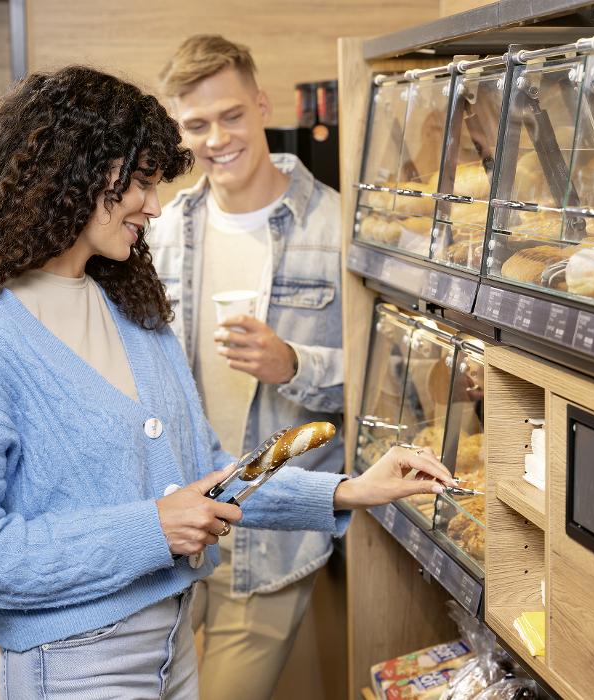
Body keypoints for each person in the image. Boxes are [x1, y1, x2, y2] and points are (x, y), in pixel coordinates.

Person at [0, 65, 454, 700]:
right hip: (76, 668)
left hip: (171, 652)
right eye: (138, 183)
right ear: (72, 173)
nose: (155, 204)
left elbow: (206, 474)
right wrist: (151, 528)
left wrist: (349, 491)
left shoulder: (132, 310)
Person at [148, 35, 344, 698]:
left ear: (261, 105)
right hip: (175, 524)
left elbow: (385, 382)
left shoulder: (336, 226)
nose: (217, 139)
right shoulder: (164, 228)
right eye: (197, 125)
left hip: (273, 534)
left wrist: (296, 364)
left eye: (231, 115)